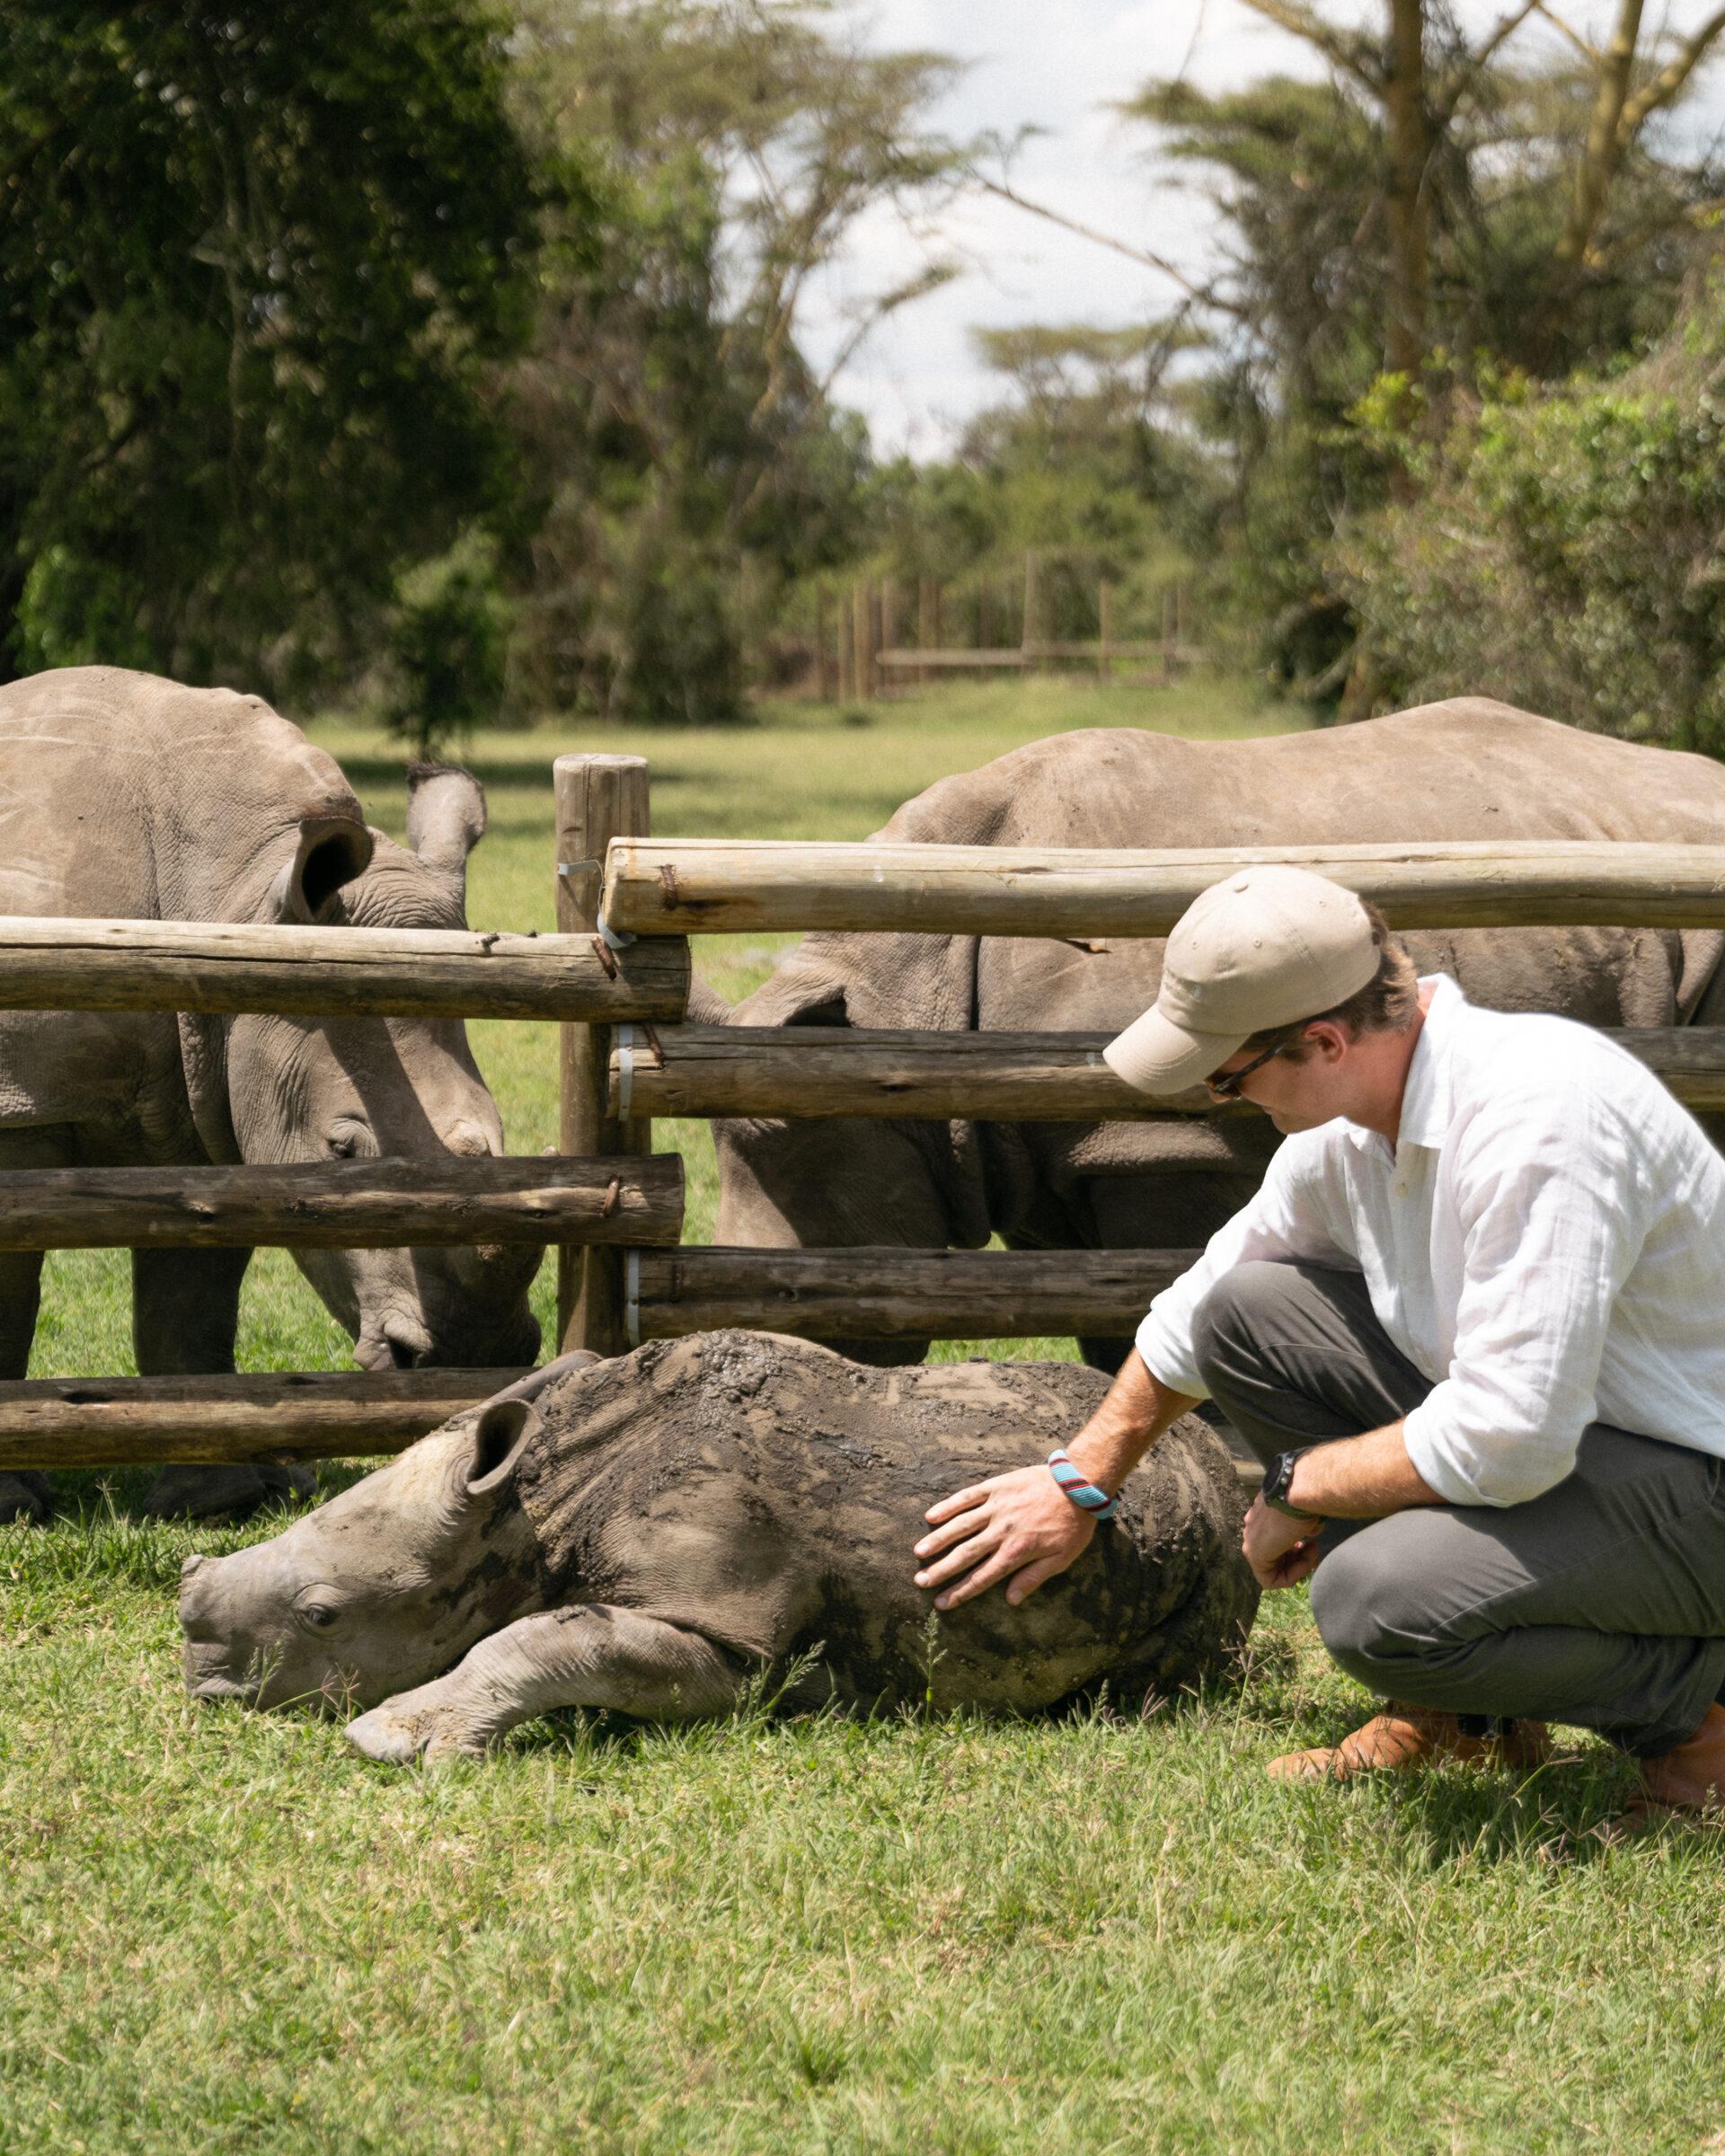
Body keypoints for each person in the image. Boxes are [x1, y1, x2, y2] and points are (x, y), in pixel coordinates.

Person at [911, 863, 1725, 1824]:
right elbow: (1204, 1306)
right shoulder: (1353, 1126)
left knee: (1376, 1605)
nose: (1220, 1100)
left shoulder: (1540, 1121)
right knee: (1248, 1315)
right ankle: (1467, 1720)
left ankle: (1696, 1729)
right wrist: (1078, 1483)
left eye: (1227, 1077)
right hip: (1600, 1450)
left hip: (1696, 1478)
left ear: (1325, 1040)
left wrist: (1298, 1487)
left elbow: (1512, 1437)